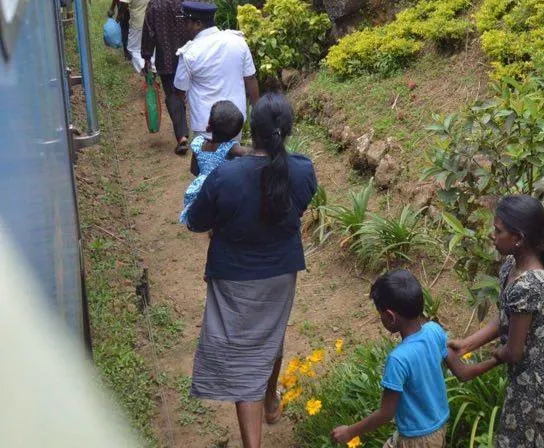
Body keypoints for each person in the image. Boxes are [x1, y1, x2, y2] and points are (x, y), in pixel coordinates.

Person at [186, 93, 317, 448]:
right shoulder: (303, 170)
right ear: (286, 131)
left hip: (233, 276)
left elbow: (197, 223)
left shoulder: (225, 176)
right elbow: (298, 208)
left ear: (250, 132)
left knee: (243, 352)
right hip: (281, 274)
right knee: (270, 336)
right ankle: (270, 400)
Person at [448, 195, 544, 448]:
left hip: (538, 381)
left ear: (518, 239)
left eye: (498, 231)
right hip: (534, 372)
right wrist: (467, 344)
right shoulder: (512, 265)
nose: (492, 235)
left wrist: (474, 369)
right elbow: (506, 319)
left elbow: (513, 351)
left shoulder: (528, 285)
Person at [331, 269, 496, 447]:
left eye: (380, 314)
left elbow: (386, 413)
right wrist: (497, 358)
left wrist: (349, 432)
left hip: (417, 439)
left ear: (390, 317)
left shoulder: (398, 360)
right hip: (436, 427)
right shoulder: (434, 330)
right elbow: (463, 373)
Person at [173, 0, 260, 137]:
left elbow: (179, 91)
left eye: (186, 22)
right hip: (235, 121)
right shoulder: (238, 41)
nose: (184, 26)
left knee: (204, 157)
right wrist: (257, 113)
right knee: (233, 155)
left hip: (206, 126)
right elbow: (251, 78)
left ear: (198, 24)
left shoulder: (189, 53)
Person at [141, 0, 189, 154]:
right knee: (188, 95)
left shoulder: (155, 4)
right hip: (188, 58)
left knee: (172, 95)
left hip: (166, 60)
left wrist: (146, 57)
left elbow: (149, 33)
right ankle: (198, 134)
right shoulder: (186, 1)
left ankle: (182, 135)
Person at [180, 100, 251, 223]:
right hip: (222, 187)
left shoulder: (198, 143)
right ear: (236, 132)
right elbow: (248, 153)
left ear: (209, 125)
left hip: (202, 189)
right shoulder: (231, 148)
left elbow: (194, 170)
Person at [117, 0, 163, 73]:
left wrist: (119, 16)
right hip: (156, 20)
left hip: (138, 22)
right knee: (153, 48)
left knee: (133, 49)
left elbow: (123, 3)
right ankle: (153, 69)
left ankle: (144, 68)